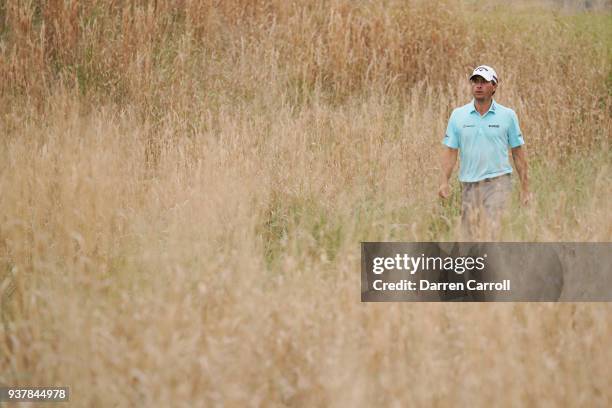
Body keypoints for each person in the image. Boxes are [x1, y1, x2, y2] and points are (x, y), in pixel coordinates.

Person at [438, 65, 531, 240]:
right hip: (469, 185)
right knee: (469, 237)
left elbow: (518, 153)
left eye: (483, 82)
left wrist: (525, 189)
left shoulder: (507, 116)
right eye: (475, 82)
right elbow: (451, 152)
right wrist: (444, 181)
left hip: (498, 183)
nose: (478, 86)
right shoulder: (458, 115)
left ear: (494, 86)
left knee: (491, 233)